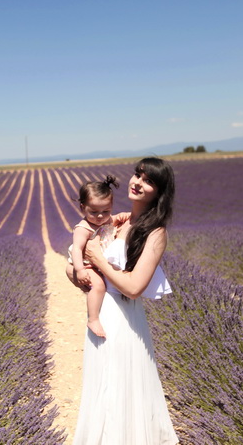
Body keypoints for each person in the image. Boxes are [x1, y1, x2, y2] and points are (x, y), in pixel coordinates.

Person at [68, 157, 180, 444]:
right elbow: (81, 265)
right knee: (101, 386)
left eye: (148, 181)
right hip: (103, 312)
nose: (137, 183)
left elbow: (133, 287)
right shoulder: (116, 219)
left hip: (124, 319)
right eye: (136, 175)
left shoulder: (155, 232)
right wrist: (77, 271)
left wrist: (97, 261)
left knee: (120, 387)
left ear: (159, 191)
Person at [66, 175, 126, 338]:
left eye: (106, 211)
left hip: (99, 263)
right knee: (99, 286)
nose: (100, 216)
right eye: (94, 212)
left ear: (111, 207)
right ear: (82, 207)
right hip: (87, 265)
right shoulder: (84, 228)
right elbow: (77, 250)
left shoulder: (108, 219)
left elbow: (121, 217)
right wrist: (80, 270)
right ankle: (93, 319)